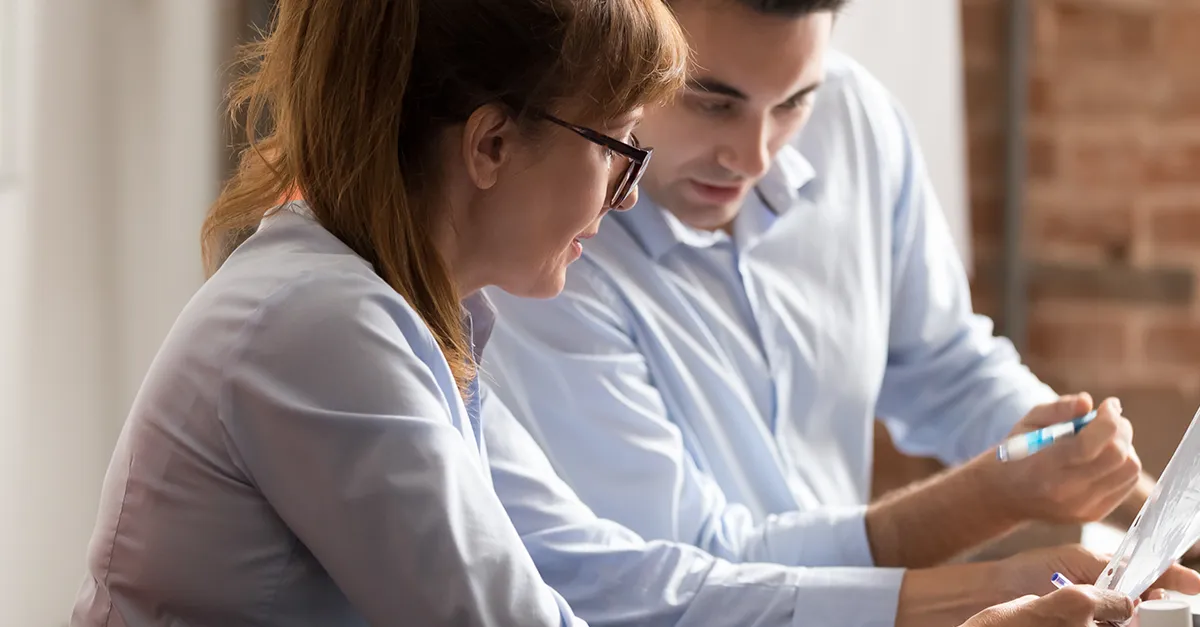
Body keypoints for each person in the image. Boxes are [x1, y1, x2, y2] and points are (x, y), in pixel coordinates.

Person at [70, 1, 1198, 626]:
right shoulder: (328, 330)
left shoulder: (417, 317)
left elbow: (610, 577)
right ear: (493, 145)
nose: (624, 193)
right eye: (618, 147)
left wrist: (997, 589)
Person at [483, 0, 1167, 593]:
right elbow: (684, 574)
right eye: (712, 101)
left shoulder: (856, 116)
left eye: (791, 104)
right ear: (629, 43)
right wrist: (995, 494)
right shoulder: (544, 255)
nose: (753, 157)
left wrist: (1132, 498)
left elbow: (945, 365)